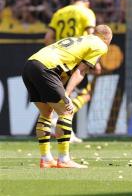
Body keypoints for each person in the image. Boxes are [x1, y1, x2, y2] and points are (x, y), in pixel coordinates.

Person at [22, 25, 112, 168]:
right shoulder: (100, 45)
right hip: (46, 68)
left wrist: (62, 92)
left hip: (30, 65)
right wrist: (67, 95)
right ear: (107, 39)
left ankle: (46, 159)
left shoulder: (79, 40)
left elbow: (62, 74)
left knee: (46, 113)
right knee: (66, 111)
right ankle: (64, 159)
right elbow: (80, 72)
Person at [45, 0, 98, 143]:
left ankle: (67, 131)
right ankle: (58, 120)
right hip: (76, 59)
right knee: (85, 94)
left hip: (58, 59)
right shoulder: (86, 12)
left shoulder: (59, 13)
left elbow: (48, 37)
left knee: (65, 94)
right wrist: (95, 61)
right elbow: (91, 35)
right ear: (86, 3)